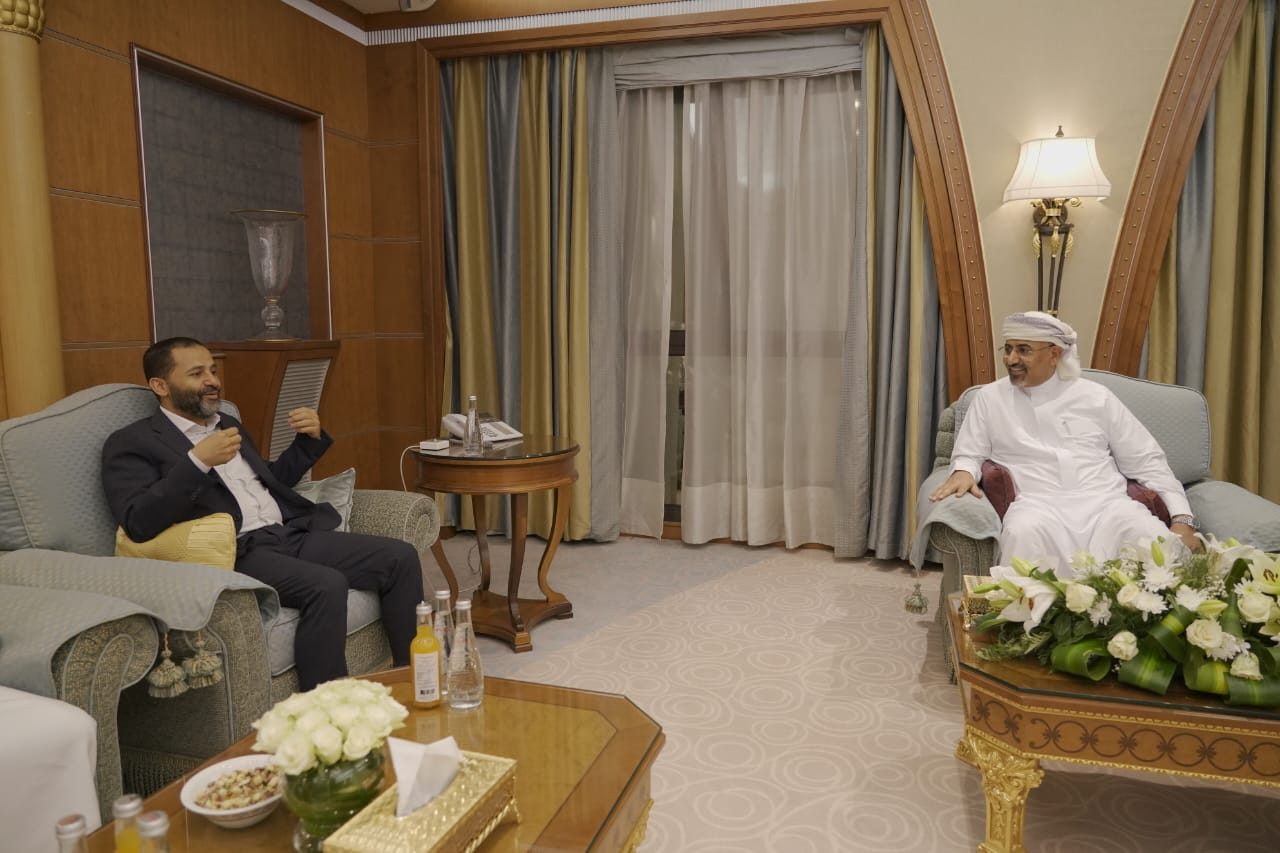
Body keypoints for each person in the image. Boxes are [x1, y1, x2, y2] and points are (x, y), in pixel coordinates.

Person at [102, 336, 423, 690]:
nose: (212, 380)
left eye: (212, 370)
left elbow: (269, 481)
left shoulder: (226, 422)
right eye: (196, 374)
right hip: (236, 552)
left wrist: (308, 441)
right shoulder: (131, 442)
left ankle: (413, 679)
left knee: (400, 557)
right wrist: (197, 463)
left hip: (287, 534)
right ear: (160, 386)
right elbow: (138, 521)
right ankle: (326, 705)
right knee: (326, 584)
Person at [928, 311, 1198, 577]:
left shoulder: (1096, 397)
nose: (1011, 359)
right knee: (1022, 534)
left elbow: (1147, 461)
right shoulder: (989, 398)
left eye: (1023, 350)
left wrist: (1182, 518)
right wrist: (963, 470)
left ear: (1054, 354)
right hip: (1037, 506)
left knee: (1149, 537)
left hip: (1107, 505)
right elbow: (969, 453)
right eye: (1008, 349)